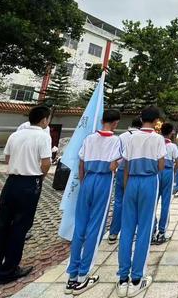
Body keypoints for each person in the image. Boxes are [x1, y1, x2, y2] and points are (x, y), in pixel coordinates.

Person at [65, 109, 121, 294]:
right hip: (103, 181)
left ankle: (72, 275)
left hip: (87, 180)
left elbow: (81, 163)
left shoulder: (89, 138)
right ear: (115, 123)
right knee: (95, 228)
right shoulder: (115, 140)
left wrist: (83, 181)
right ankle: (83, 275)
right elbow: (114, 165)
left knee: (80, 226)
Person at [0, 106, 52, 284]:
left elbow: (7, 158)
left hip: (11, 182)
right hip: (29, 184)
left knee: (2, 224)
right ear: (44, 120)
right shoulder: (43, 136)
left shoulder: (15, 134)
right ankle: (9, 269)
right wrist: (39, 176)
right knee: (20, 227)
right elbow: (46, 163)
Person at [117, 107, 166, 298]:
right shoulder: (158, 138)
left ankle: (122, 278)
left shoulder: (131, 137)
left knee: (127, 228)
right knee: (145, 228)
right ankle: (136, 279)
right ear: (155, 121)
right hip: (149, 181)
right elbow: (161, 165)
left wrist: (128, 185)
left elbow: (126, 165)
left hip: (131, 182)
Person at [109, 117, 142, 244]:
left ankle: (113, 233)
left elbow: (116, 156)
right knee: (135, 203)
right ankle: (132, 232)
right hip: (135, 172)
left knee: (118, 201)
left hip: (122, 170)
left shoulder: (121, 136)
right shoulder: (142, 136)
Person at [153, 122, 178, 245]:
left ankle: (152, 229)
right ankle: (162, 231)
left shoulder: (156, 143)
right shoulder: (173, 146)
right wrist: (173, 173)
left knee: (153, 202)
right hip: (168, 172)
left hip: (156, 172)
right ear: (171, 132)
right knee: (165, 202)